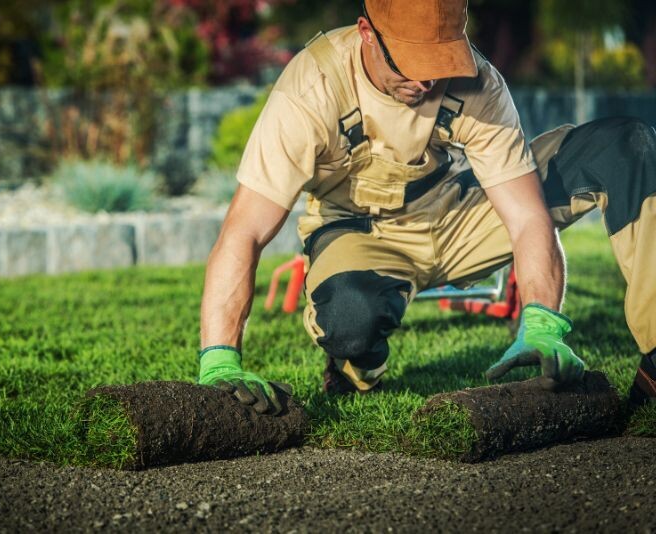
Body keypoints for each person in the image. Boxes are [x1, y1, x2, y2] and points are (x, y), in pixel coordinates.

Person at [196, 0, 656, 415]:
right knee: (351, 321)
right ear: (366, 33)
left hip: (459, 210)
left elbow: (526, 216)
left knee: (624, 145)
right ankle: (358, 366)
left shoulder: (480, 83)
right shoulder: (311, 87)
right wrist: (219, 358)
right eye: (411, 64)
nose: (424, 81)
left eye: (438, 63)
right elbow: (245, 231)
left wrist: (540, 321)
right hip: (362, 232)